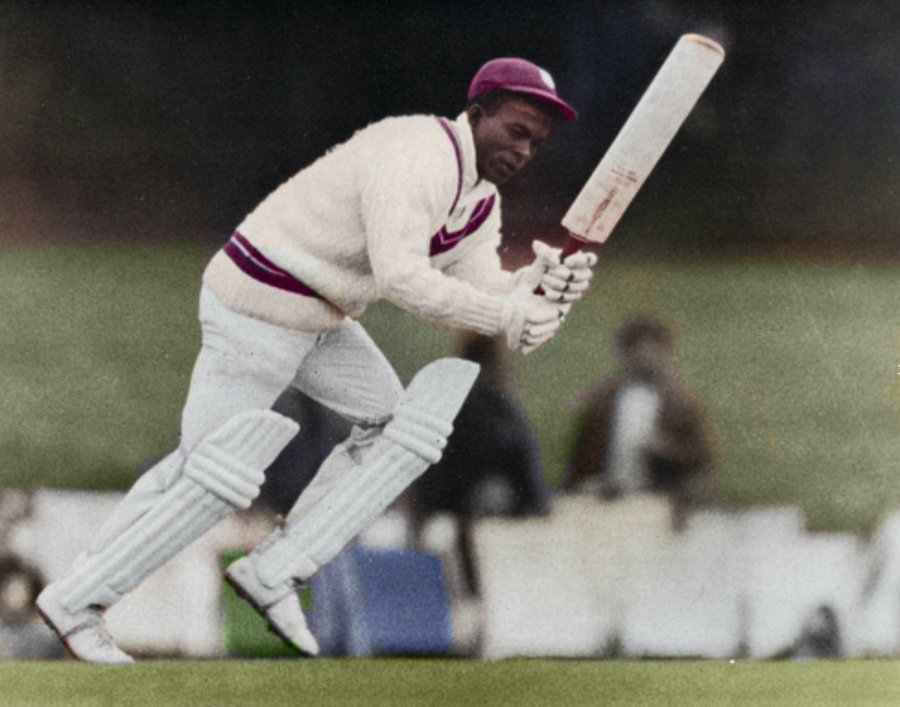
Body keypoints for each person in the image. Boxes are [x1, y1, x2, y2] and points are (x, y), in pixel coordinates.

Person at [36, 57, 598, 664]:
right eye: (516, 131)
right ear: (477, 113)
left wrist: (535, 287)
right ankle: (77, 600)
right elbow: (403, 277)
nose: (524, 151)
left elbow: (482, 288)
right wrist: (510, 314)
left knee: (397, 430)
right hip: (255, 304)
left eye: (536, 143)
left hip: (320, 317)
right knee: (211, 475)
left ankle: (276, 570)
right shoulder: (418, 156)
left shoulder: (480, 201)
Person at [405, 332, 551, 598]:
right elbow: (516, 449)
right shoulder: (495, 400)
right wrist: (536, 498)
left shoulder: (459, 397)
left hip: (453, 496)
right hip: (474, 497)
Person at [564, 316, 717, 517]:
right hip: (609, 497)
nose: (643, 357)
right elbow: (581, 460)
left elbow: (704, 455)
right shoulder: (607, 399)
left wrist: (667, 449)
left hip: (660, 497)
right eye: (632, 350)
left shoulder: (680, 402)